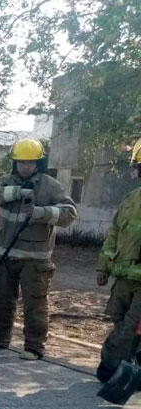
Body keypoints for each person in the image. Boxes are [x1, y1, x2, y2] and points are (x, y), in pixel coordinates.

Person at [0, 138, 77, 360]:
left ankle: (34, 347)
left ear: (38, 163)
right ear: (15, 163)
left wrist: (42, 213)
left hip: (35, 258)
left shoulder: (51, 186)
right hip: (4, 254)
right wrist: (16, 192)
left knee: (35, 304)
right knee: (1, 299)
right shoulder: (6, 181)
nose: (25, 166)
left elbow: (69, 213)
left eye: (30, 162)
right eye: (21, 162)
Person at [95, 138, 141, 382]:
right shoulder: (131, 199)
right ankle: (130, 372)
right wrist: (103, 266)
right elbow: (113, 234)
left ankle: (111, 367)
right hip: (123, 278)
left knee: (132, 327)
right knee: (119, 321)